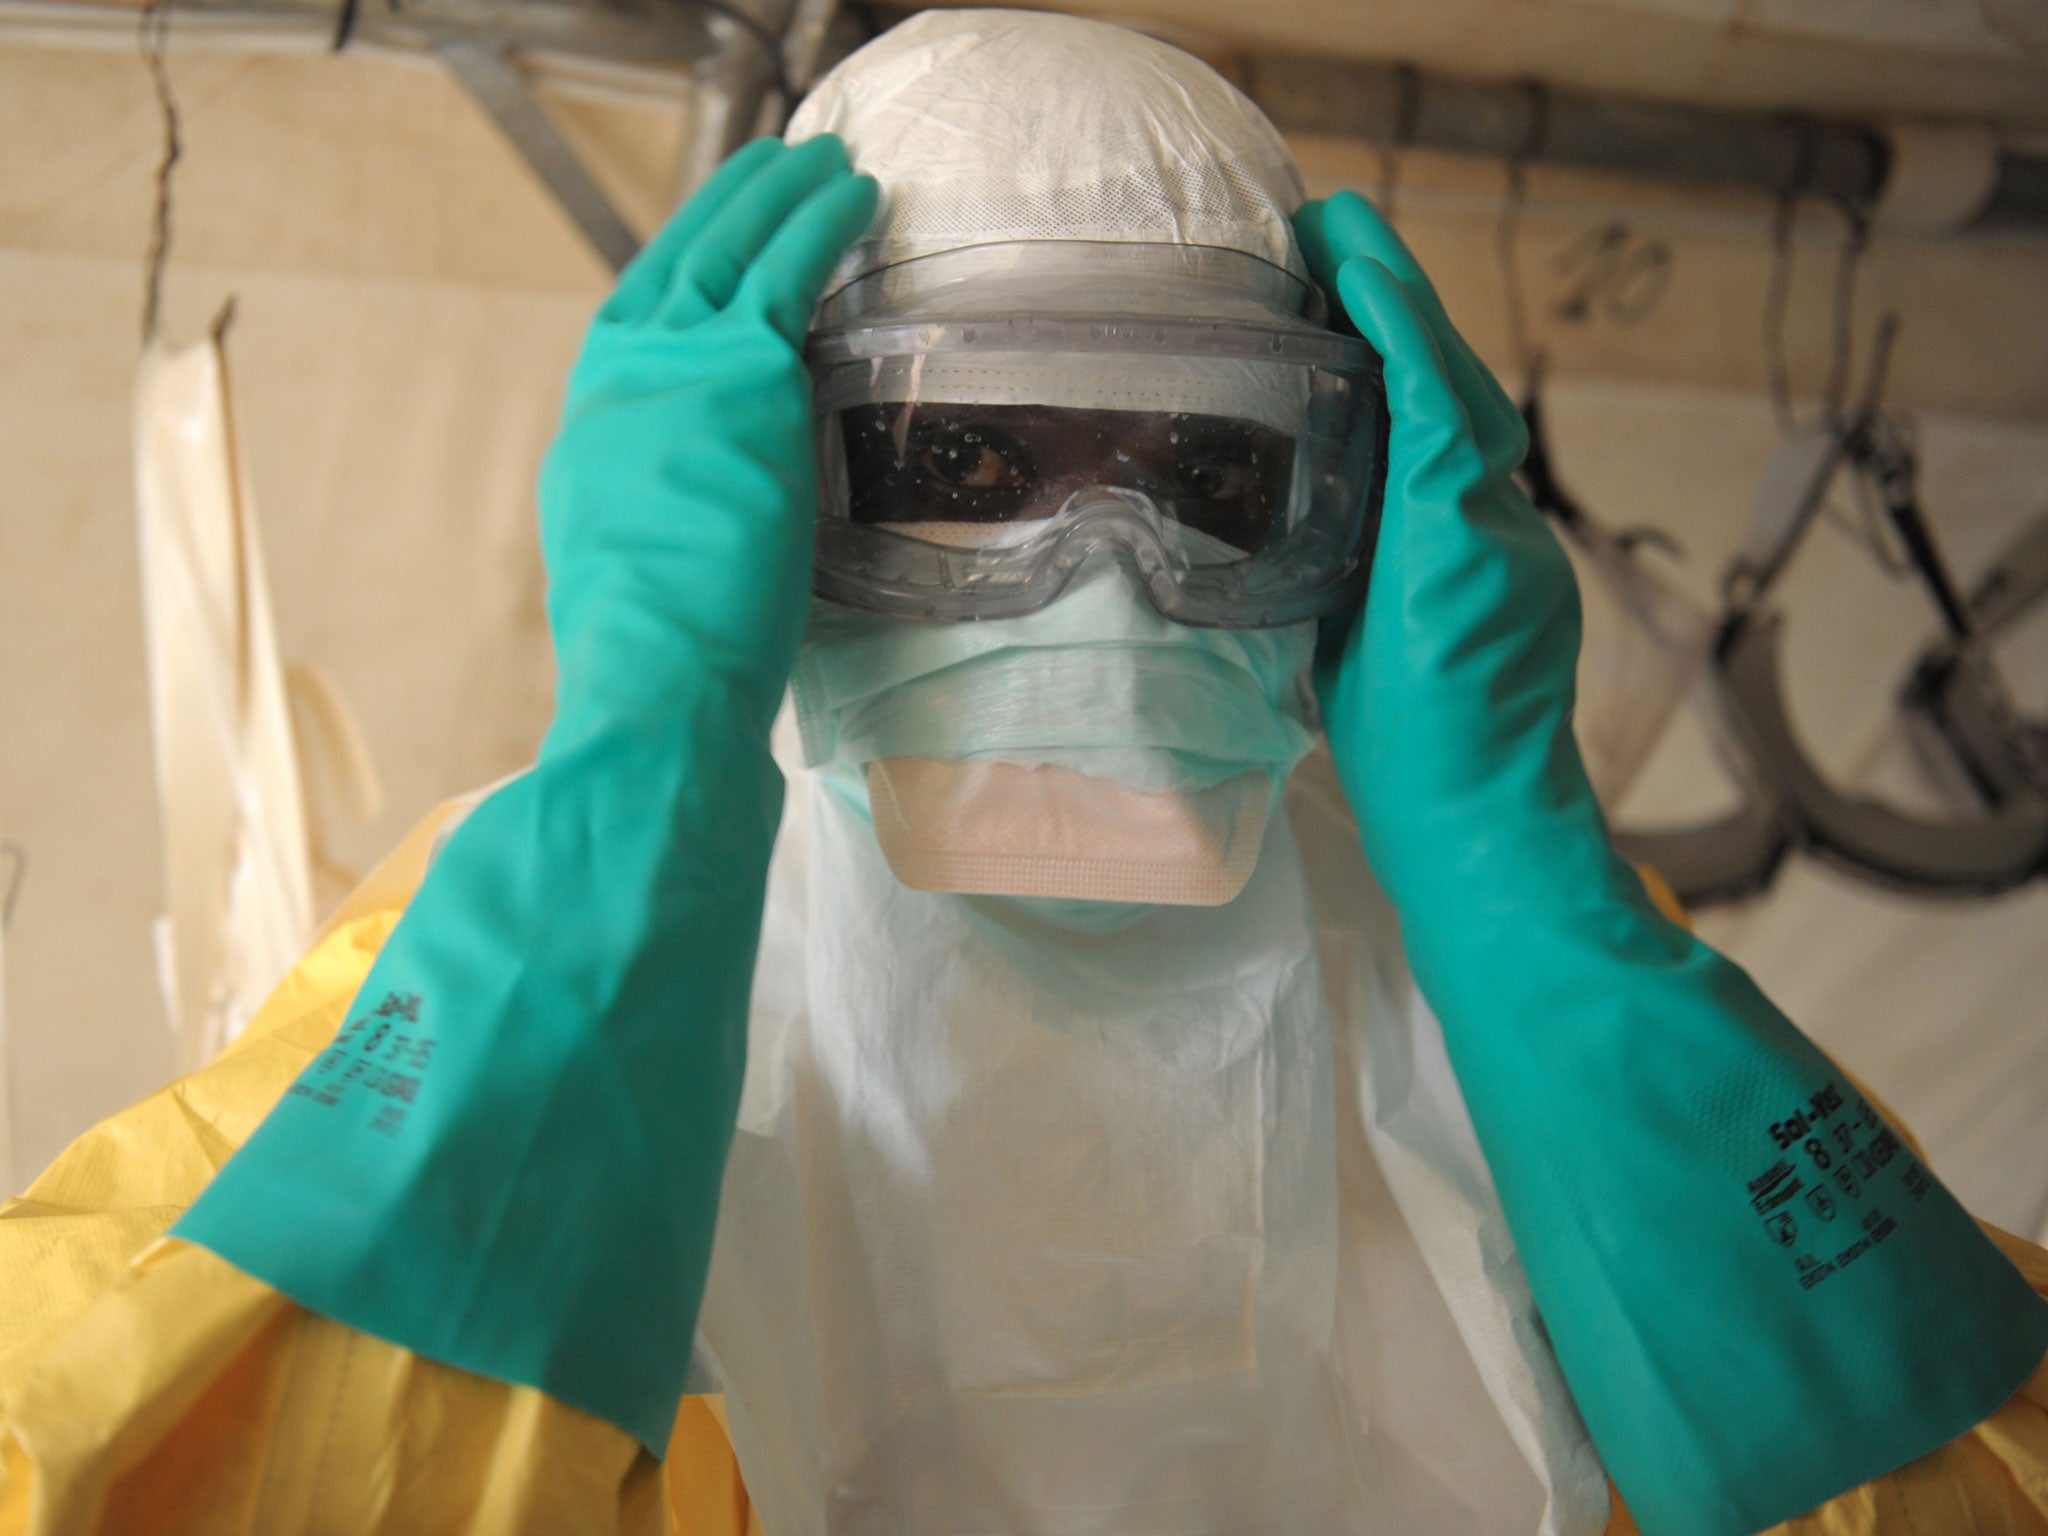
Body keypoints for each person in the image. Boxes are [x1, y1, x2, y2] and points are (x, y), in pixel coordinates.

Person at [2, 11, 2045, 1535]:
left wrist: (1521, 876)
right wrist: (640, 785)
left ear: (1343, 511)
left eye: (1201, 477)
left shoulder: (1538, 987)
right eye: (964, 468)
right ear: (781, 499)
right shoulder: (539, 935)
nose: (1107, 588)